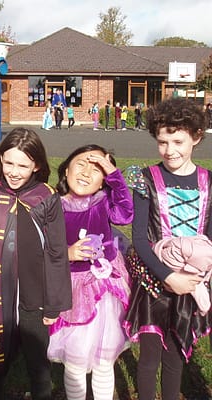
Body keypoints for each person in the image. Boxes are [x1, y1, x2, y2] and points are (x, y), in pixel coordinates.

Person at [0, 127, 72, 400]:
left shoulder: (46, 197)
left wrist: (53, 303)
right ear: (0, 160)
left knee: (38, 366)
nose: (14, 172)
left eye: (23, 166)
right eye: (9, 163)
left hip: (34, 297)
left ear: (36, 165)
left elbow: (56, 253)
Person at [123, 97, 212, 400]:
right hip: (154, 283)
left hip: (191, 283)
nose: (170, 150)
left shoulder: (209, 182)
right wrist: (168, 276)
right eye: (162, 142)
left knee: (176, 356)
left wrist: (195, 278)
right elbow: (139, 238)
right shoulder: (143, 178)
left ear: (196, 137)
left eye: (178, 141)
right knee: (149, 359)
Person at [47, 144, 133, 400]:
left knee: (104, 362)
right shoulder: (52, 206)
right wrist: (67, 253)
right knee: (75, 362)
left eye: (96, 170)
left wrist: (114, 175)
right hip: (71, 290)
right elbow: (39, 247)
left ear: (103, 181)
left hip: (104, 291)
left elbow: (125, 215)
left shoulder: (103, 201)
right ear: (66, 170)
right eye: (81, 164)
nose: (86, 172)